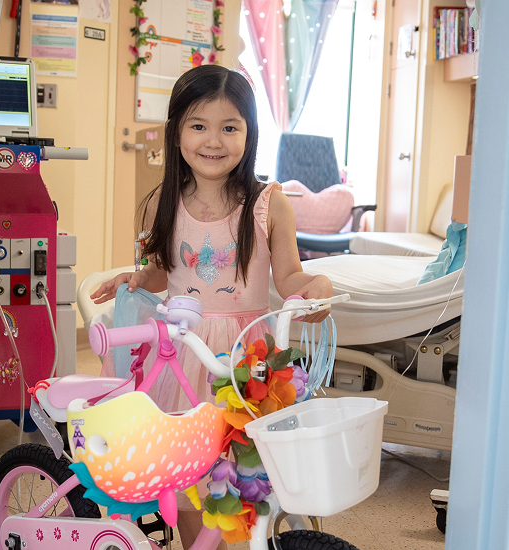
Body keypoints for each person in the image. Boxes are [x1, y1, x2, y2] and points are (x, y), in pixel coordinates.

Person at [90, 64, 332, 548]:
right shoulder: (162, 200)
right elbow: (162, 272)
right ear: (176, 131)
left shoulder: (268, 203)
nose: (213, 140)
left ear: (250, 133)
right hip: (182, 355)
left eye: (230, 127)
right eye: (198, 126)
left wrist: (318, 285)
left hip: (245, 363)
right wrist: (137, 278)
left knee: (242, 481)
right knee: (188, 486)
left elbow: (289, 279)